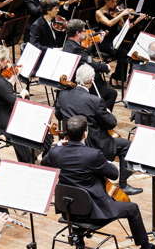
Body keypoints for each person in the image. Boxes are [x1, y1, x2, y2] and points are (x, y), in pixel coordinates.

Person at [41, 115, 155, 249]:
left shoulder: (56, 152)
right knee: (132, 209)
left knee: (77, 195)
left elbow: (45, 165)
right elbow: (114, 174)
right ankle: (146, 248)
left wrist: (57, 146)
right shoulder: (92, 155)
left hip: (68, 209)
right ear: (85, 133)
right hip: (93, 212)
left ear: (66, 133)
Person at [55, 64, 138, 193]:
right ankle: (123, 184)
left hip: (71, 139)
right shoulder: (94, 100)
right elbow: (111, 124)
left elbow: (58, 115)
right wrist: (107, 113)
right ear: (91, 81)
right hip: (94, 143)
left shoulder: (63, 95)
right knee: (127, 145)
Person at [62, 19, 116, 109]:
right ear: (77, 33)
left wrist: (95, 43)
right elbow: (92, 64)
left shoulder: (68, 44)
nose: (86, 32)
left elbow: (85, 56)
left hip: (76, 79)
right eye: (83, 30)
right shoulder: (76, 49)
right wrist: (106, 67)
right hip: (81, 82)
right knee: (112, 93)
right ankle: (99, 116)